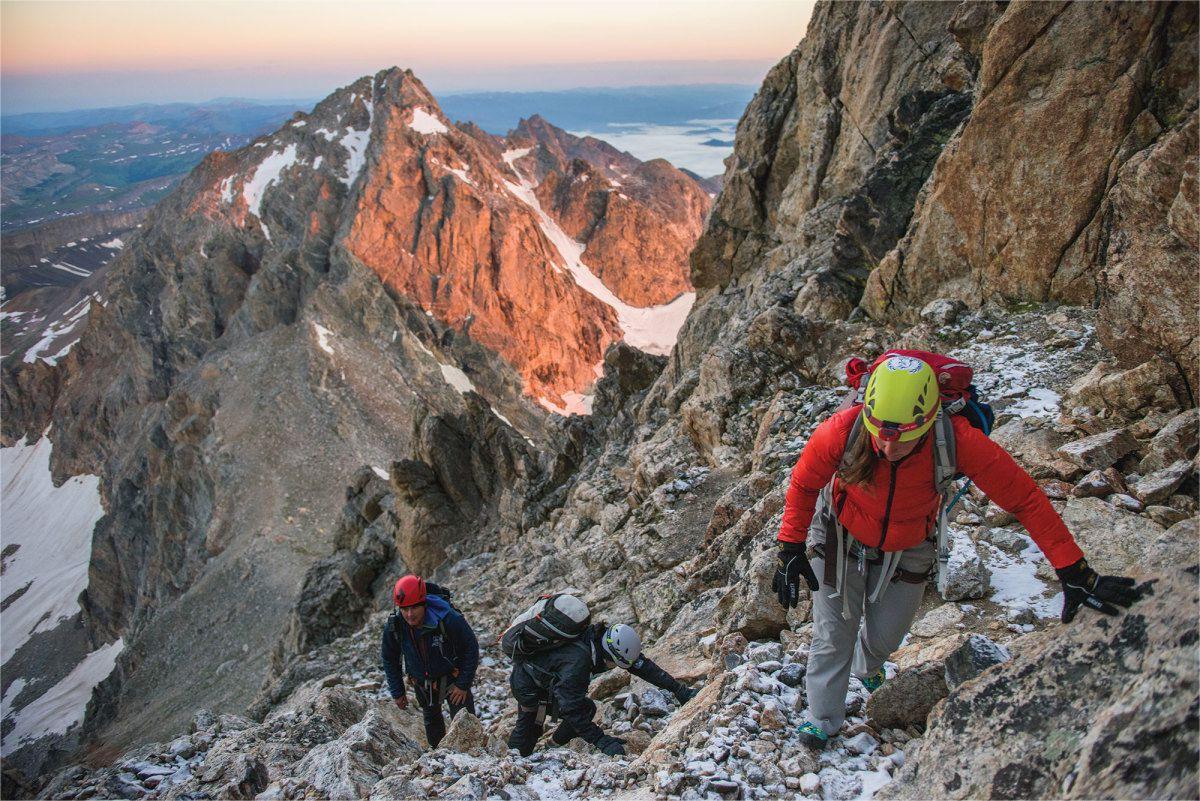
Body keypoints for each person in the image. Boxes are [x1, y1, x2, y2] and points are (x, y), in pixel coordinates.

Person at [772, 355, 1143, 750]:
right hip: (839, 536)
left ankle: (868, 665)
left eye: (902, 435)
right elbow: (804, 483)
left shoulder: (958, 440)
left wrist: (1073, 570)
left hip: (911, 543)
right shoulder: (841, 431)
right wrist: (790, 545)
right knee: (833, 634)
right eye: (879, 431)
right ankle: (822, 719)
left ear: (928, 422)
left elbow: (1025, 500)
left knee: (886, 637)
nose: (887, 444)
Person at [506, 622, 698, 757]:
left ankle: (551, 746)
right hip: (528, 686)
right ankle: (512, 760)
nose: (613, 668)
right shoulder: (578, 664)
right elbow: (570, 709)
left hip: (550, 677)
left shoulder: (602, 638)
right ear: (608, 658)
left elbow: (640, 665)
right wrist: (602, 741)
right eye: (613, 665)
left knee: (586, 708)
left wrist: (679, 690)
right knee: (531, 726)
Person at [381, 574, 480, 748]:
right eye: (404, 609)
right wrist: (397, 691)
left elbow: (470, 647)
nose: (409, 615)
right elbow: (390, 657)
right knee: (432, 723)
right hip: (422, 683)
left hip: (453, 680)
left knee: (465, 723)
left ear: (424, 603)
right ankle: (439, 757)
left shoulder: (448, 618)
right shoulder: (395, 625)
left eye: (414, 608)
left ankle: (472, 755)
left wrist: (463, 684)